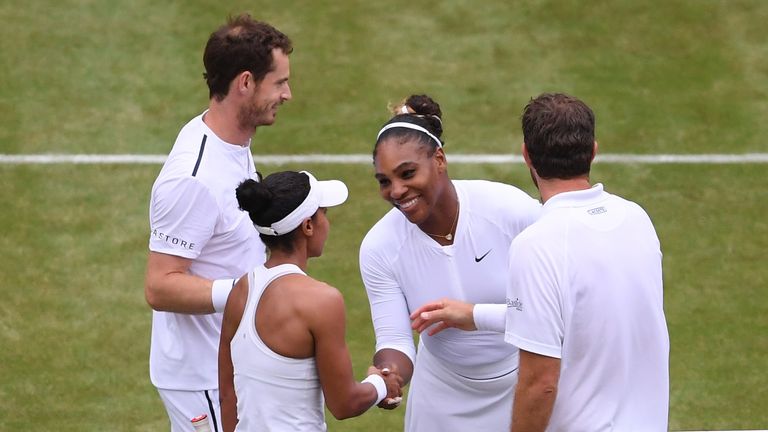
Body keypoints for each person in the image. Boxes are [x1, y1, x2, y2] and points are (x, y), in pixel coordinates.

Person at [411, 93, 670, 431]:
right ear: (593, 150)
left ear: (526, 155)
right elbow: (580, 315)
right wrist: (476, 315)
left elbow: (540, 383)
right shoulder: (636, 218)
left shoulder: (537, 244)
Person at [144, 14, 292, 431]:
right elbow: (160, 285)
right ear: (246, 82)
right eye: (279, 83)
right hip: (203, 378)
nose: (288, 94)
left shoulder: (232, 141)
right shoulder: (194, 180)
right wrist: (251, 291)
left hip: (228, 362)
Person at [358, 94, 541, 431]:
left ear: (439, 159)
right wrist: (390, 374)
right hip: (441, 398)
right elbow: (395, 340)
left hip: (524, 384)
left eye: (407, 173)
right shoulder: (378, 248)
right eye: (384, 181)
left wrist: (473, 316)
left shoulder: (512, 211)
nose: (396, 191)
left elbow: (553, 313)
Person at [217, 171, 403, 432]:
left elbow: (227, 394)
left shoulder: (241, 291)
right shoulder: (321, 301)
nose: (327, 222)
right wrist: (383, 384)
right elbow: (344, 404)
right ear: (308, 226)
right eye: (323, 213)